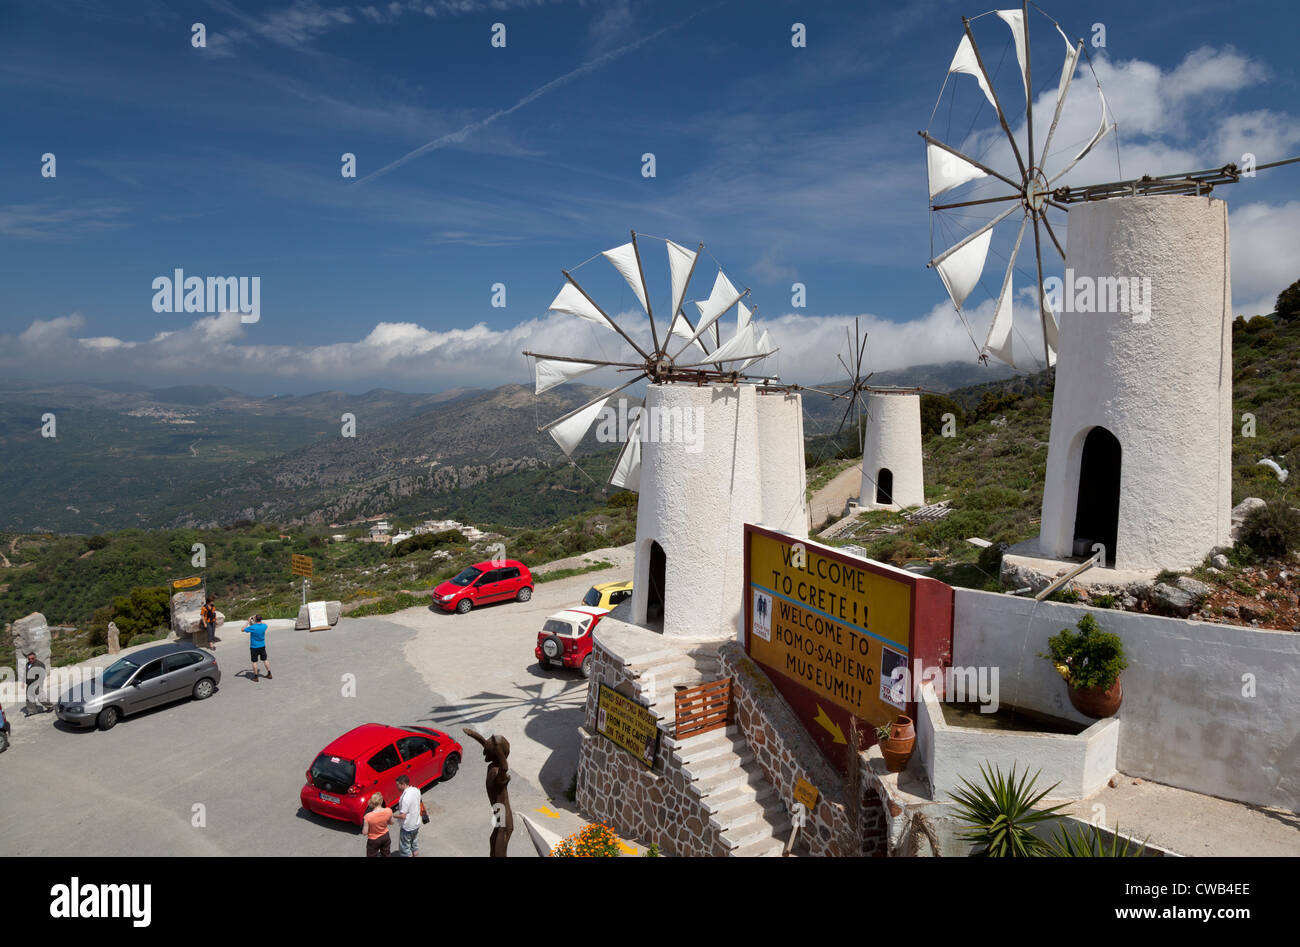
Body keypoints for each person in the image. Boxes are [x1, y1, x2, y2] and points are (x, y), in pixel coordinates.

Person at [392, 775, 422, 857]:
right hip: (416, 824)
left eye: (398, 785)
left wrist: (392, 815)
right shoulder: (416, 790)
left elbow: (403, 816)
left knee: (405, 850)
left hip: (407, 827)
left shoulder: (405, 798)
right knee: (414, 846)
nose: (397, 787)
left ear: (403, 784)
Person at [241, 614, 272, 682]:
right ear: (261, 619)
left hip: (254, 647)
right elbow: (264, 623)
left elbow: (242, 629)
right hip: (262, 645)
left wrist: (248, 621)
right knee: (265, 659)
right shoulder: (264, 626)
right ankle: (269, 673)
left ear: (255, 619)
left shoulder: (252, 627)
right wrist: (258, 619)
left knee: (254, 662)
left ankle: (256, 677)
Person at [24, 651, 51, 716]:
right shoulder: (27, 664)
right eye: (29, 659)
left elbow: (42, 675)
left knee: (41, 697)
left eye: (32, 658)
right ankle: (32, 711)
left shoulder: (40, 664)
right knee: (29, 697)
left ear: (35, 658)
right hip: (29, 683)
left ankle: (50, 706)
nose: (30, 660)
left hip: (36, 683)